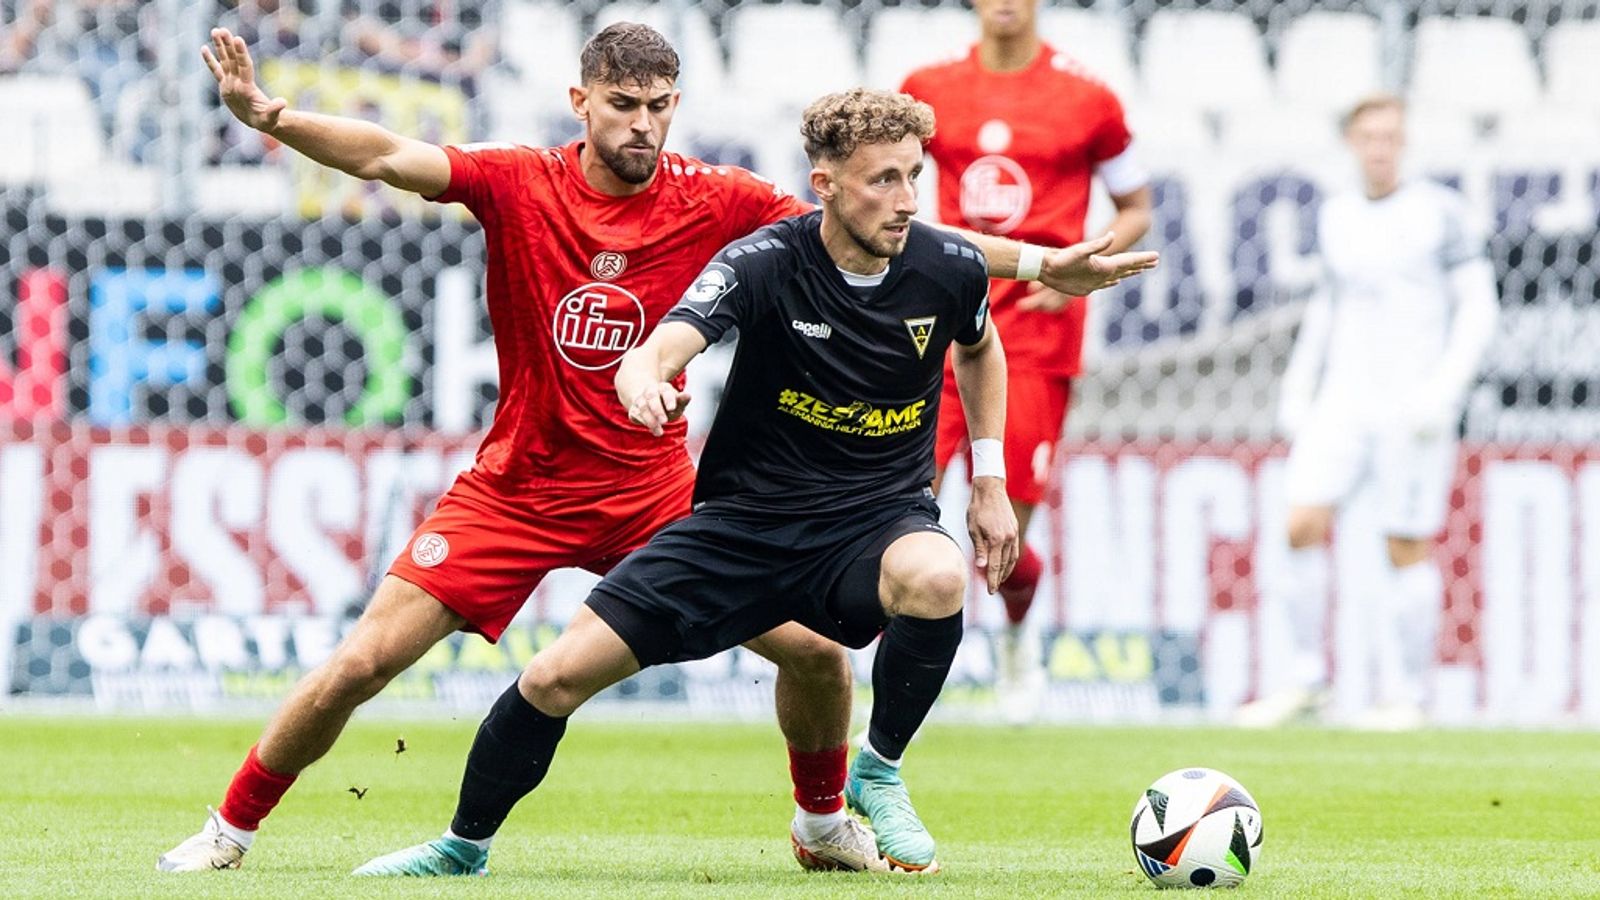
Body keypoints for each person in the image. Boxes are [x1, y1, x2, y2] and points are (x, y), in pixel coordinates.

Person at [158, 23, 1158, 875]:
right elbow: (386, 154)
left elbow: (882, 221)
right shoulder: (519, 184)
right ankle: (228, 829)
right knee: (363, 661)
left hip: (655, 491)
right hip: (518, 486)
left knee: (815, 655)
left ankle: (820, 825)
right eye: (626, 104)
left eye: (661, 105)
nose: (644, 124)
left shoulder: (717, 200)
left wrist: (1037, 263)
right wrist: (274, 117)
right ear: (580, 101)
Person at [356, 87, 1018, 879]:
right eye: (884, 179)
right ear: (827, 183)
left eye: (915, 176)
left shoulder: (947, 267)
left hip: (870, 521)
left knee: (938, 576)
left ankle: (872, 773)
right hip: (742, 527)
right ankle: (463, 847)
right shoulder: (763, 260)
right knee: (554, 676)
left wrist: (989, 477)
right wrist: (643, 377)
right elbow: (668, 339)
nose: (906, 200)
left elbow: (979, 346)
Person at [899, 0, 1153, 721]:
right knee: (893, 510)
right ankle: (893, 686)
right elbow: (890, 181)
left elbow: (1135, 206)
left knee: (999, 532)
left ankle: (1017, 642)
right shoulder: (929, 88)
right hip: (938, 323)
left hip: (1038, 336)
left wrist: (1078, 267)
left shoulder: (1089, 97)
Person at [1235, 94, 1499, 731]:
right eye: (1368, 136)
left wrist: (1443, 391)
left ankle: (1405, 696)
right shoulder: (1339, 215)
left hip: (1412, 407)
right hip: (1344, 403)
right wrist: (1301, 386)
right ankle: (1305, 682)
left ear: (1403, 143)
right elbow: (1330, 308)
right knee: (1299, 524)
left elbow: (1479, 306)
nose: (1380, 147)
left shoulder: (1440, 212)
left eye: (1390, 136)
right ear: (1352, 142)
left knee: (1403, 543)